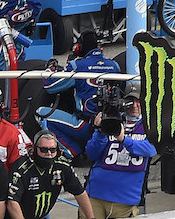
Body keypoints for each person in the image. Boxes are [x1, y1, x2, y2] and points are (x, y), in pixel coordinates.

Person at [6, 130, 104, 219]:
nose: (48, 153)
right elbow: (12, 201)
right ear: (34, 149)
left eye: (52, 150)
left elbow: (80, 192)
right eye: (43, 150)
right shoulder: (22, 168)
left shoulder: (62, 165)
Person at [41, 30, 121, 160]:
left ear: (79, 48)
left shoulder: (77, 66)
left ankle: (73, 152)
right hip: (112, 124)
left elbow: (50, 86)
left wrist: (50, 69)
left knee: (41, 114)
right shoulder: (114, 65)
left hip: (85, 126)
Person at [83, 81, 158, 219]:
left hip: (125, 201)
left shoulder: (151, 125)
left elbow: (151, 149)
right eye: (131, 101)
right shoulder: (112, 120)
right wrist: (100, 131)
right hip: (95, 195)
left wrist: (124, 139)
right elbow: (92, 153)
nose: (135, 105)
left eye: (139, 101)